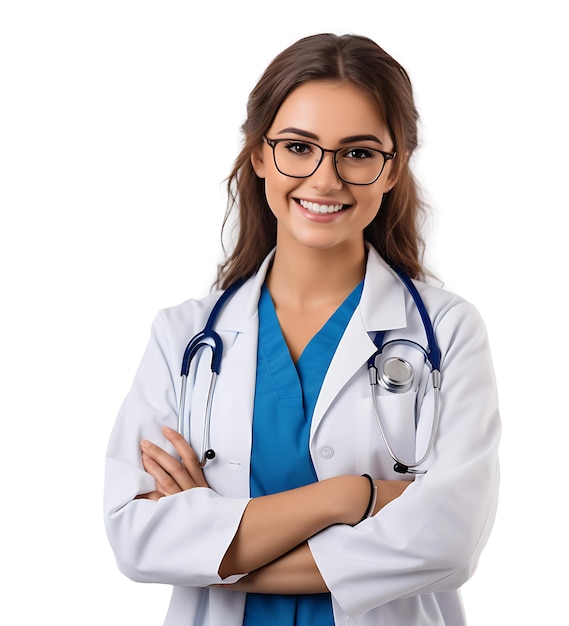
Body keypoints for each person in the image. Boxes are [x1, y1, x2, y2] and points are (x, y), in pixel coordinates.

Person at [104, 33, 501, 626]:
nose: (324, 179)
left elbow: (446, 542)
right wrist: (352, 497)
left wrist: (212, 547)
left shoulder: (446, 331)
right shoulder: (182, 337)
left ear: (394, 169)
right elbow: (137, 538)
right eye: (298, 147)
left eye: (359, 153)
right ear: (260, 154)